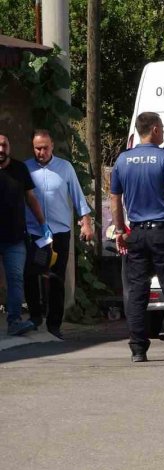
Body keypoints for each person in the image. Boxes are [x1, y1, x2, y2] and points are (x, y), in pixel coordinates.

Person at [110, 112, 164, 362]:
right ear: (155, 129)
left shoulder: (123, 160)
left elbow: (114, 198)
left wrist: (120, 230)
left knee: (137, 292)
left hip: (137, 234)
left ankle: (138, 349)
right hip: (163, 233)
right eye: (162, 127)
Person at [24, 130, 94, 339]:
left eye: (45, 148)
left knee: (56, 277)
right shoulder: (26, 168)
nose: (41, 152)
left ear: (52, 146)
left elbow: (78, 197)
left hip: (59, 233)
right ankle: (35, 316)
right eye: (38, 148)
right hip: (36, 233)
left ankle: (54, 324)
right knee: (32, 274)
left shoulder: (65, 168)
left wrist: (86, 224)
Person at [0, 134, 52, 336]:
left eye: (4, 145)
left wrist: (43, 223)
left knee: (16, 280)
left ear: (9, 147)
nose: (1, 149)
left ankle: (14, 322)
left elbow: (31, 198)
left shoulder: (20, 169)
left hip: (15, 238)